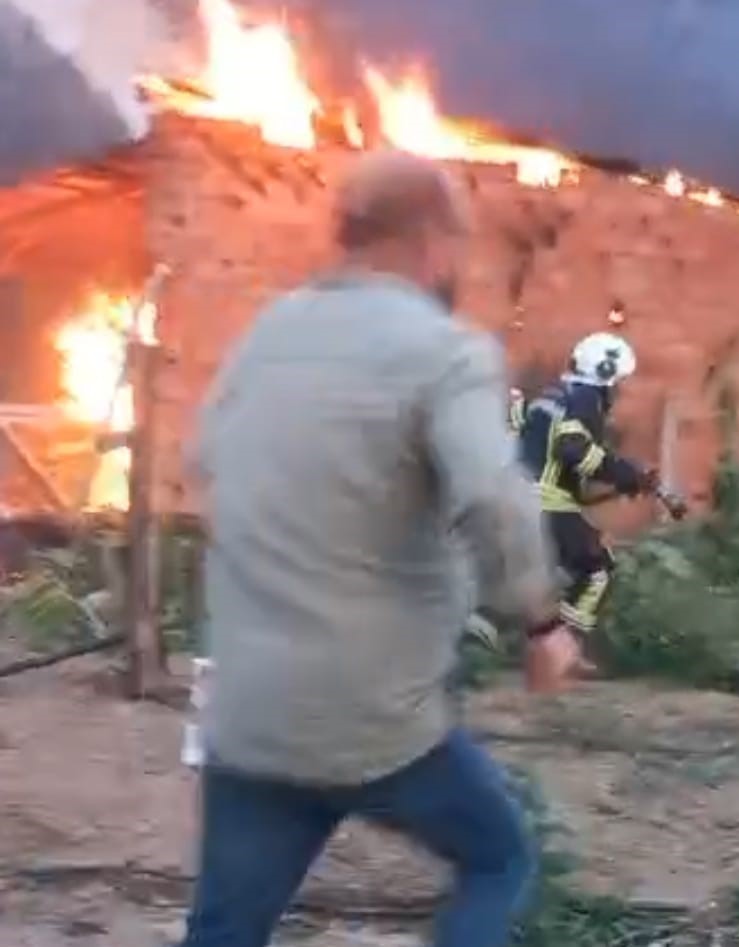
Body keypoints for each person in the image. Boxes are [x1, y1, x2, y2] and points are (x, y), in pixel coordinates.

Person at [180, 150, 583, 947]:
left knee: (225, 928)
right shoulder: (443, 351)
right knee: (499, 857)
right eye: (458, 246)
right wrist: (542, 623)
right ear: (432, 238)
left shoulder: (270, 330)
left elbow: (203, 463)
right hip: (374, 721)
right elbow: (494, 502)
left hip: (251, 709)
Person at [517, 332, 657, 641]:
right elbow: (573, 450)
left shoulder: (550, 396)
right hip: (546, 503)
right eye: (617, 383)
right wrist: (624, 472)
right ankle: (562, 650)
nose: (618, 392)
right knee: (596, 571)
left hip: (513, 500)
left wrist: (622, 482)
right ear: (605, 374)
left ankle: (521, 644)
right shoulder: (585, 398)